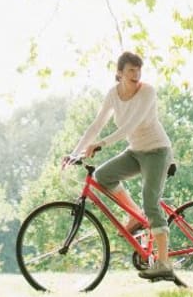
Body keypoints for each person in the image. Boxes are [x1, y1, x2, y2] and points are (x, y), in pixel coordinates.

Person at [64, 50, 176, 282]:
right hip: (136, 152)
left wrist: (101, 144)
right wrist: (75, 153)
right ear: (119, 73)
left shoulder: (147, 92)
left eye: (139, 70)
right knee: (103, 175)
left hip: (157, 151)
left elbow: (130, 125)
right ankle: (136, 216)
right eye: (131, 71)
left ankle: (164, 263)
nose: (136, 75)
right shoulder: (113, 95)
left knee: (150, 200)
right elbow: (97, 124)